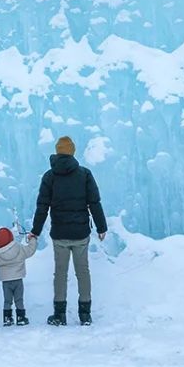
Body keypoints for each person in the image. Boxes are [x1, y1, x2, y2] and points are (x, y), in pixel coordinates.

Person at [28, 135, 107, 326]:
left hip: (60, 234)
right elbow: (94, 203)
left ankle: (60, 315)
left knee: (60, 273)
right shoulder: (85, 174)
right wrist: (101, 227)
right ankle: (85, 314)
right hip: (81, 234)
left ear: (57, 152)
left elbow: (42, 206)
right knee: (83, 272)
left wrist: (35, 231)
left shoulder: (49, 176)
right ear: (72, 152)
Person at [0, 226, 37, 326]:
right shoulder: (19, 249)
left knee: (7, 301)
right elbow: (30, 250)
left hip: (6, 282)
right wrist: (32, 239)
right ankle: (21, 318)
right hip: (18, 280)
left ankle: (7, 318)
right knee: (19, 299)